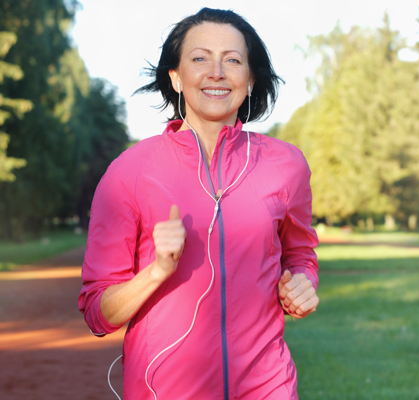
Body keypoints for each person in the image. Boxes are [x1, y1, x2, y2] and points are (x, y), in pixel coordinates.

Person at [78, 8, 319, 400]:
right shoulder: (129, 172)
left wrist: (303, 284)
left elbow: (301, 256)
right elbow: (97, 313)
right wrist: (157, 271)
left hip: (268, 387)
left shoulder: (287, 166)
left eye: (233, 60)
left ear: (251, 79)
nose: (217, 72)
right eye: (200, 58)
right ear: (175, 77)